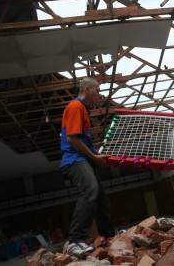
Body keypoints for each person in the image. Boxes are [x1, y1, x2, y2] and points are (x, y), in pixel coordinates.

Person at [60, 77, 115, 256]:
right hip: (74, 160)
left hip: (85, 159)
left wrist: (96, 155)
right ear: (88, 90)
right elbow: (72, 139)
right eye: (97, 90)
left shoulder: (83, 109)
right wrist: (94, 157)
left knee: (100, 197)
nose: (99, 95)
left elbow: (82, 139)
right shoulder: (75, 107)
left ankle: (108, 236)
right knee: (90, 190)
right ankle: (74, 240)